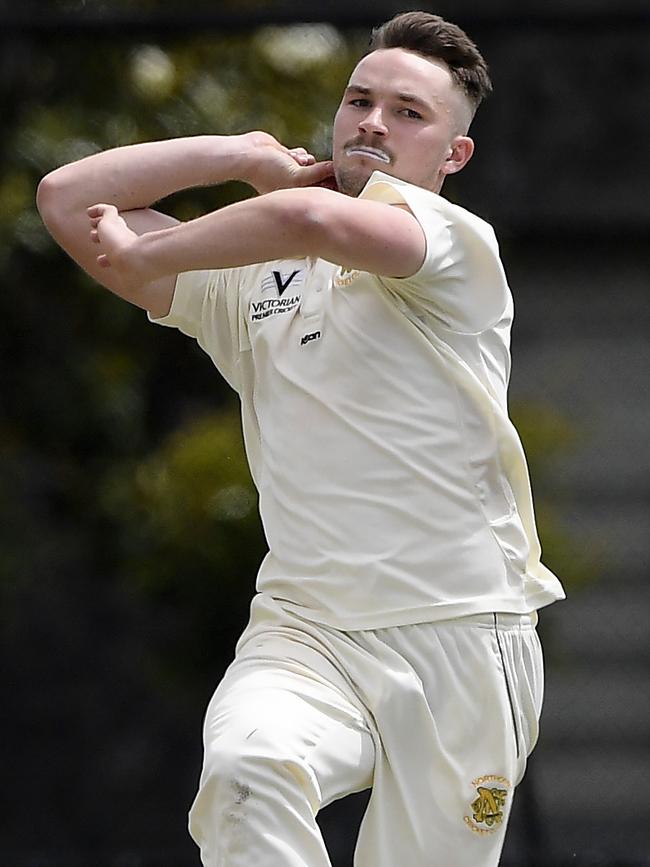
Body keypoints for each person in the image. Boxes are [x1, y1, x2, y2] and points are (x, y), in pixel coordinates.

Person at [37, 11, 565, 867]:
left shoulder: (454, 245)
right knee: (249, 771)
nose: (372, 123)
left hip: (463, 638)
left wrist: (147, 259)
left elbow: (317, 224)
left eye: (408, 112)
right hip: (308, 631)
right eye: (359, 100)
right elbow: (65, 197)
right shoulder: (253, 277)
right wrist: (241, 155)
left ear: (452, 155)